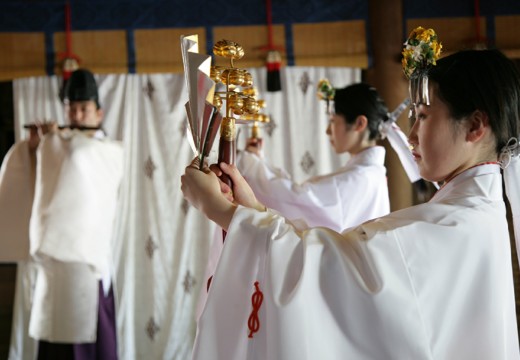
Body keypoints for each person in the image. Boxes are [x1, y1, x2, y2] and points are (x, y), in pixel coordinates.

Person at [181, 48, 520, 359]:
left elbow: (332, 272)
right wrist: (251, 212)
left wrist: (223, 211)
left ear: (475, 125)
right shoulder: (473, 213)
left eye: (424, 116)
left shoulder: (457, 224)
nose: (412, 134)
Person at [6, 68, 123, 360]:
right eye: (71, 109)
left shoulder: (105, 150)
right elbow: (46, 179)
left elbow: (78, 159)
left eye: (84, 109)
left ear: (99, 112)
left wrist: (54, 142)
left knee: (87, 339)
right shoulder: (60, 143)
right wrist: (35, 149)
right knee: (55, 342)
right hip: (56, 261)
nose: (77, 116)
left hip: (87, 260)